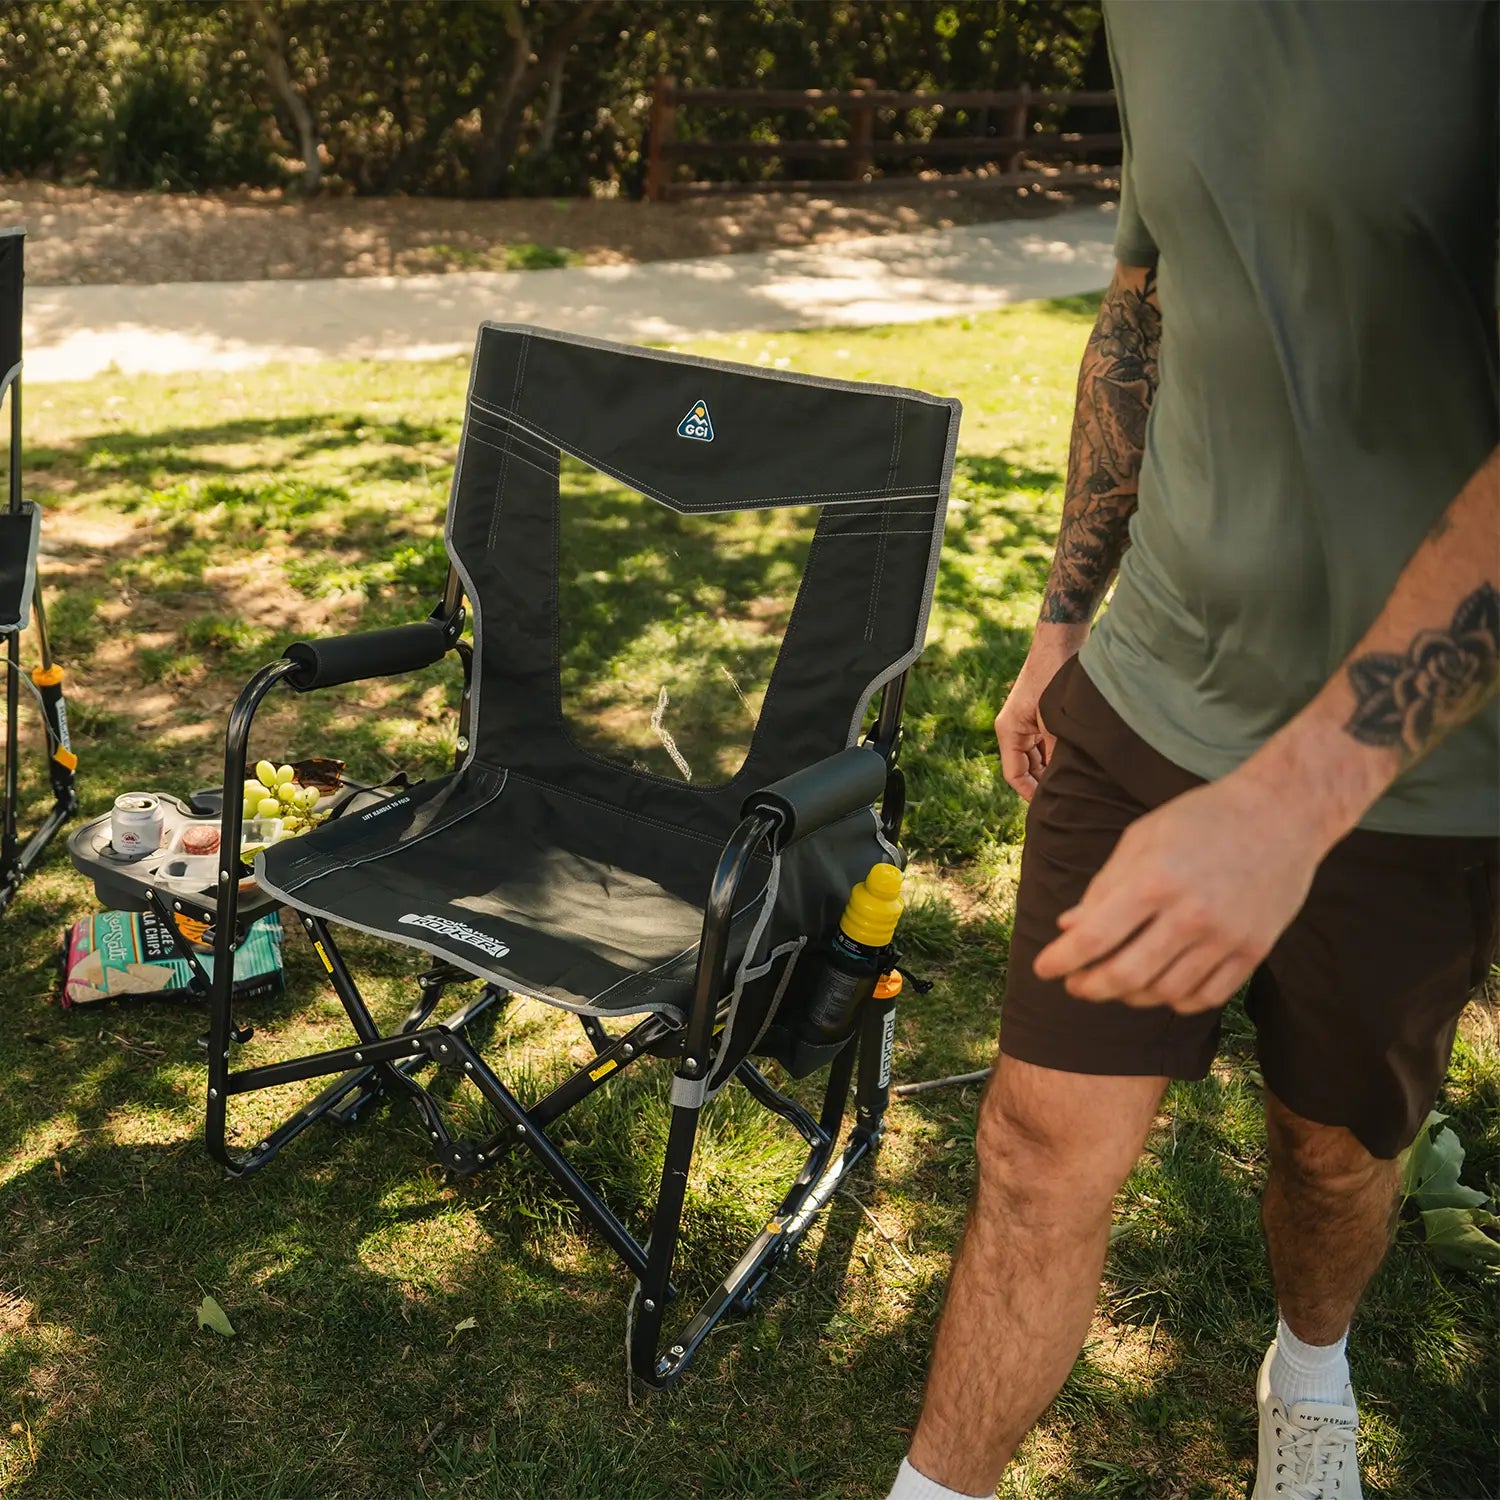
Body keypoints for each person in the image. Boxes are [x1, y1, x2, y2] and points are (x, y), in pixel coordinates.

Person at [887, 5, 1499, 1498]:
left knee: (1331, 1156)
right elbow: (1146, 307)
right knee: (1034, 1152)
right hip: (1153, 677)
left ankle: (1310, 1362)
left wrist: (1292, 800)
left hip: (1419, 766)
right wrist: (1059, 622)